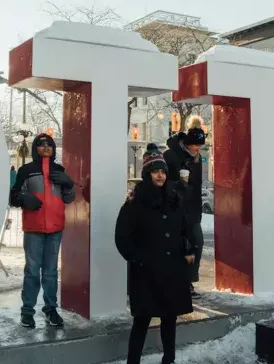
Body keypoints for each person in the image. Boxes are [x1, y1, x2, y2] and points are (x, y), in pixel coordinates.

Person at [115, 143, 194, 364]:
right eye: (155, 171)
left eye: (163, 172)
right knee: (142, 321)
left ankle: (169, 359)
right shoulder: (135, 202)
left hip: (172, 270)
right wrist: (138, 259)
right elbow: (122, 237)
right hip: (146, 272)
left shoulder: (175, 199)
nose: (159, 176)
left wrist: (188, 250)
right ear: (147, 174)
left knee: (170, 320)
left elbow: (185, 228)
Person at [10, 133, 75, 328]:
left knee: (51, 272)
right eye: (41, 144)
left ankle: (50, 309)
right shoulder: (26, 171)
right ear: (35, 148)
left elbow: (68, 199)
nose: (46, 147)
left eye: (49, 144)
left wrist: (68, 183)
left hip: (55, 228)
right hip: (34, 228)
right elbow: (13, 197)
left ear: (54, 148)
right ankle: (27, 311)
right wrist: (23, 198)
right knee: (31, 271)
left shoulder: (59, 170)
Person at [163, 115, 206, 298]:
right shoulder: (170, 155)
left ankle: (189, 279)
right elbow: (161, 181)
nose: (198, 149)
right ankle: (178, 281)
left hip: (192, 209)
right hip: (173, 207)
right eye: (195, 146)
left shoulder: (198, 158)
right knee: (176, 246)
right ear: (186, 143)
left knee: (197, 242)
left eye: (200, 146)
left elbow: (196, 187)